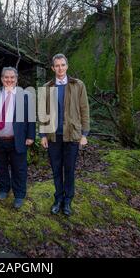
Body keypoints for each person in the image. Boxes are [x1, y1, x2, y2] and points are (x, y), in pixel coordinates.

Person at [40, 53, 90, 216]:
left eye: (63, 65)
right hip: (54, 136)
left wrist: (84, 133)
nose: (60, 68)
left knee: (69, 169)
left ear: (67, 66)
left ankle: (68, 200)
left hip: (72, 135)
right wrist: (42, 135)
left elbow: (84, 109)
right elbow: (42, 112)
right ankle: (58, 199)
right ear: (53, 68)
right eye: (57, 66)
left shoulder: (78, 85)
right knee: (56, 169)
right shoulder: (47, 87)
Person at [0, 67, 35, 209]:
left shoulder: (25, 96)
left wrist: (30, 136)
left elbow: (30, 118)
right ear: (2, 79)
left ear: (16, 79)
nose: (9, 80)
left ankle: (19, 195)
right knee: (0, 167)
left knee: (19, 169)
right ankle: (4, 189)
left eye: (12, 77)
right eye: (6, 77)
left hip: (17, 139)